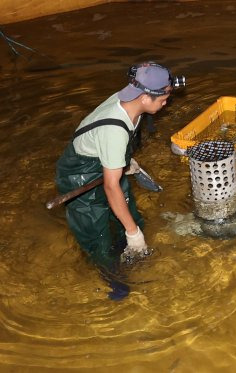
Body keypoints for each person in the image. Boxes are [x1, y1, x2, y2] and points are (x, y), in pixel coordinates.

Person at [55, 62, 175, 300]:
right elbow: (111, 186)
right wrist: (134, 234)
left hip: (103, 160)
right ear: (144, 97)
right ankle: (111, 275)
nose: (166, 103)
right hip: (79, 173)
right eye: (163, 98)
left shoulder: (129, 102)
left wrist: (121, 161)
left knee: (128, 212)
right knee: (96, 232)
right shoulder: (115, 130)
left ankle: (126, 246)